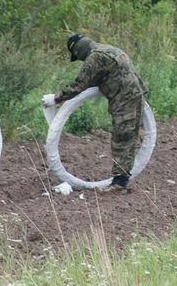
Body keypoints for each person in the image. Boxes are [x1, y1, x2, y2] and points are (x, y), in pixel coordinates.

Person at [50, 34, 148, 191]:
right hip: (135, 93)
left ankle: (119, 182)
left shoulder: (94, 57)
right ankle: (121, 179)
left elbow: (80, 84)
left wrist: (57, 98)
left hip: (124, 98)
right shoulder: (107, 49)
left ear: (77, 51)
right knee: (128, 135)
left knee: (121, 138)